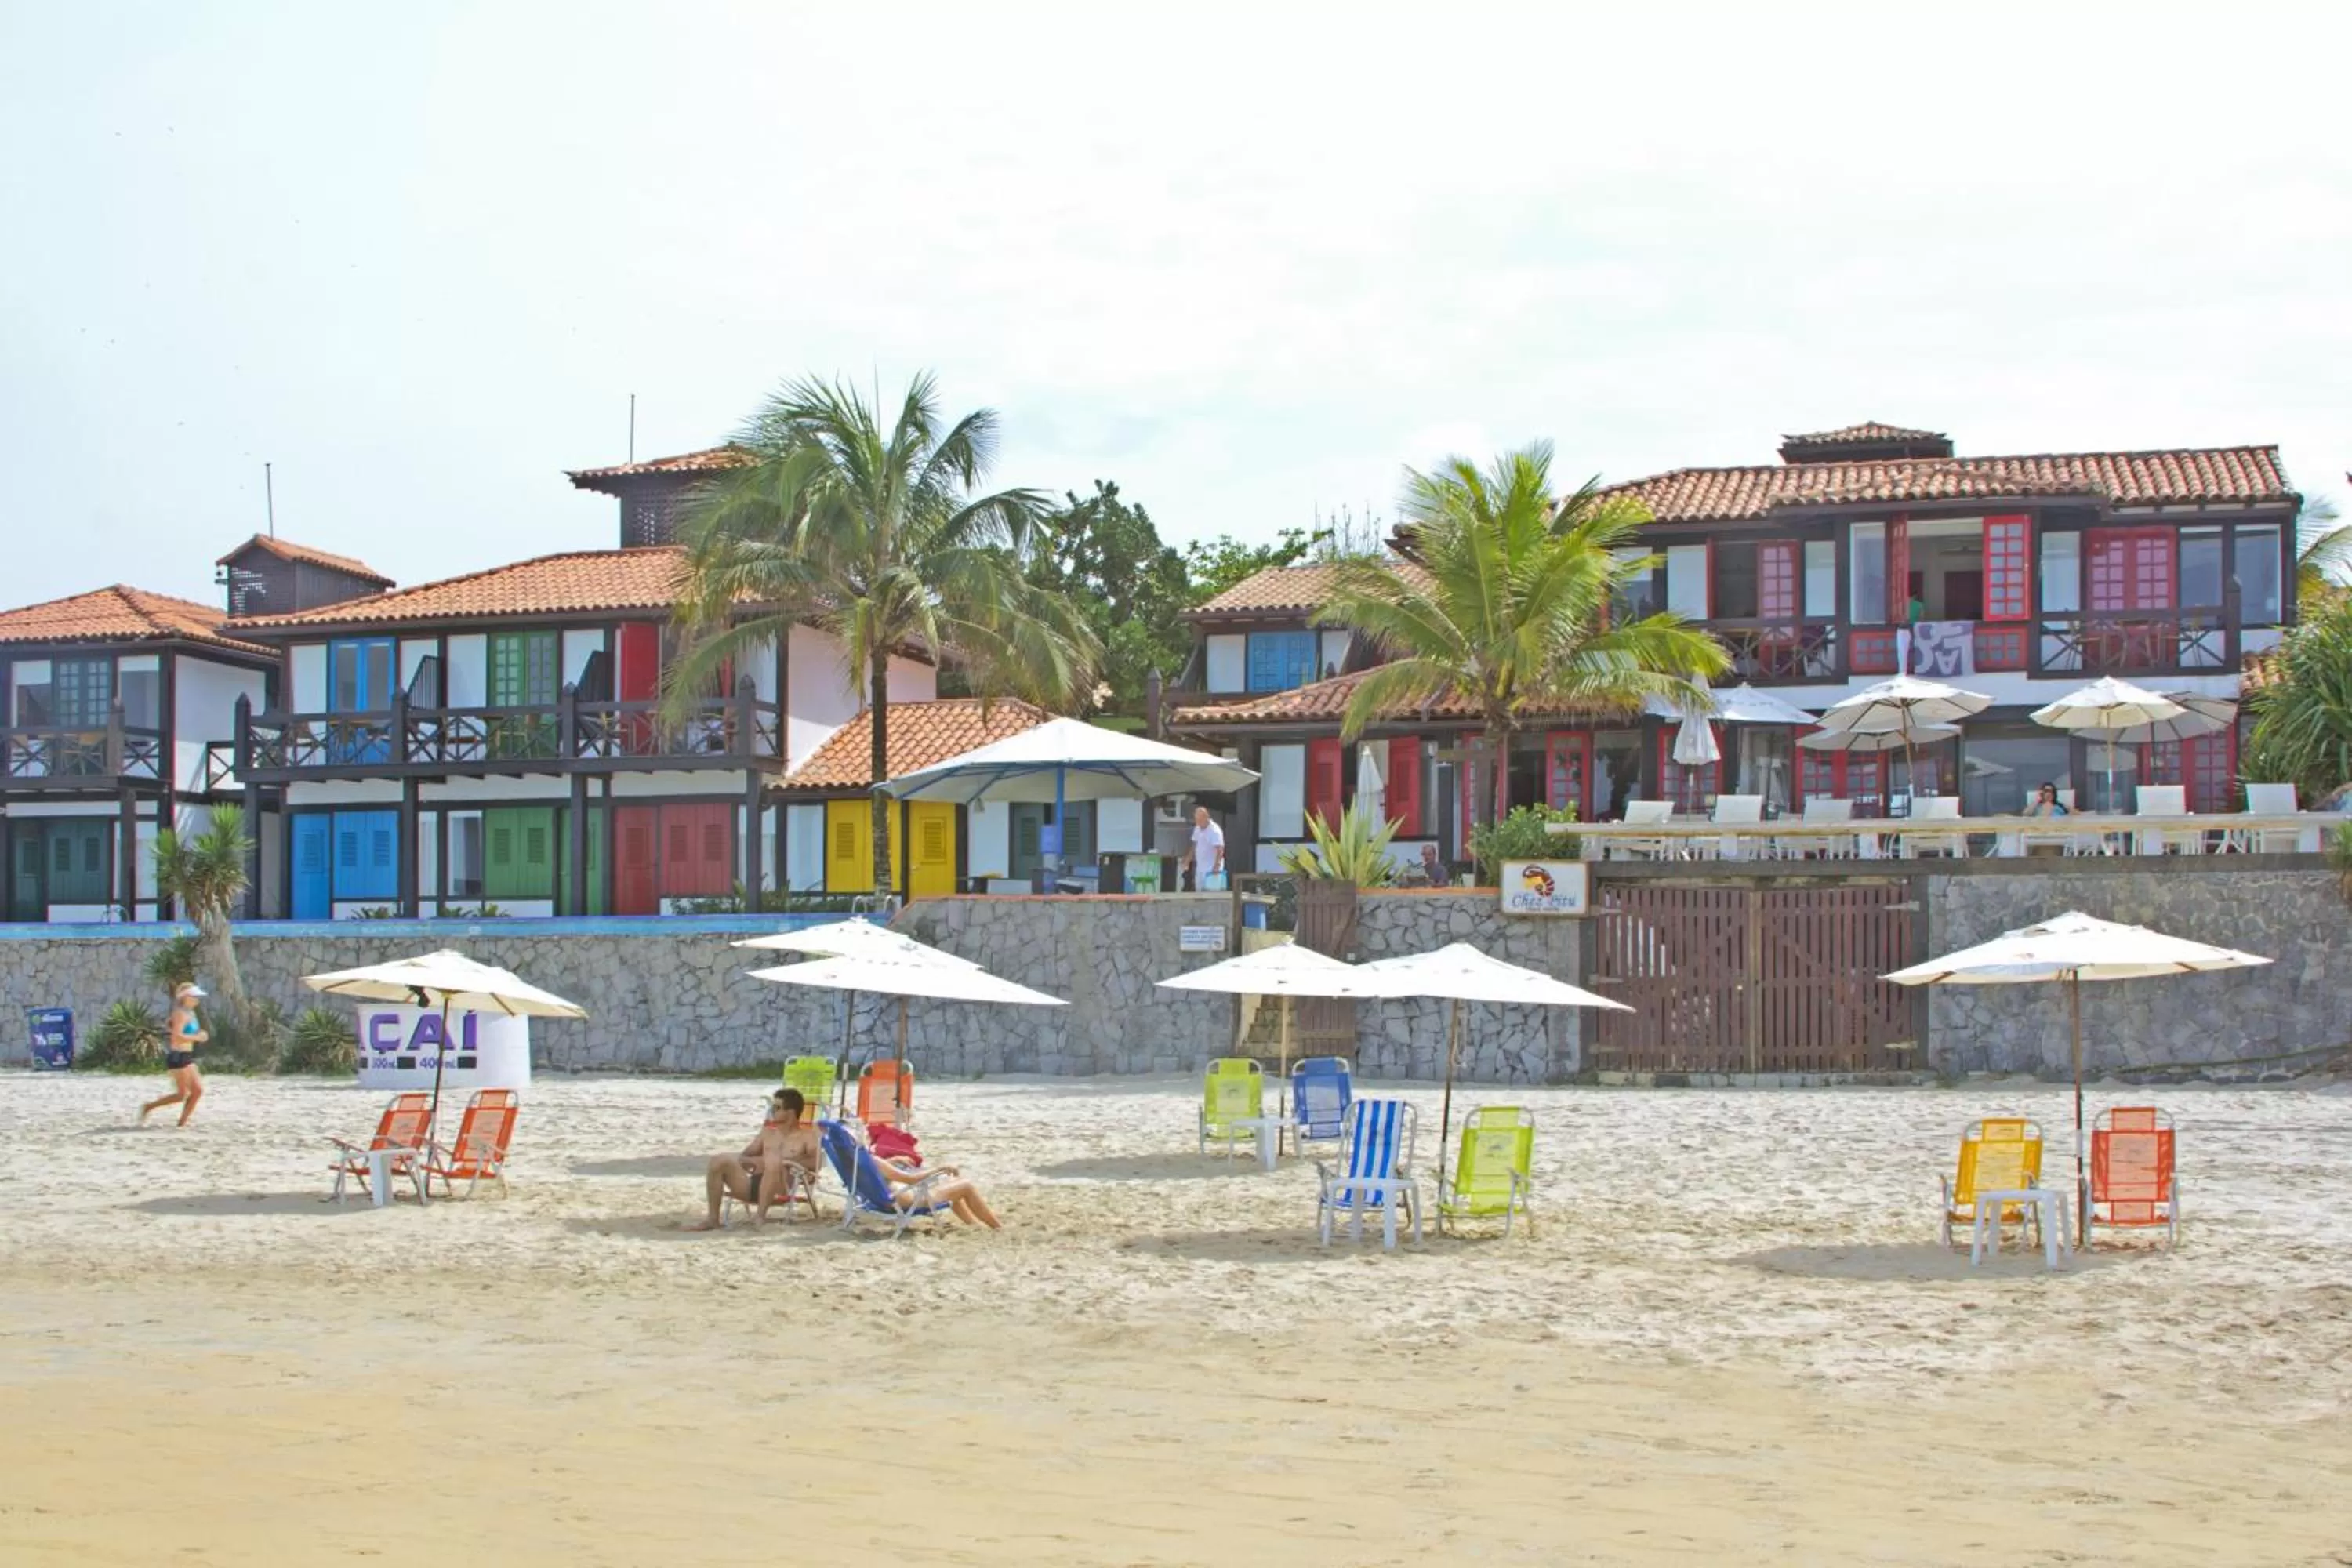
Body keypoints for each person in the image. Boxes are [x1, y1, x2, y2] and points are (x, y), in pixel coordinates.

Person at [688, 1087, 820, 1230]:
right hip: (752, 1185)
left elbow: (816, 1163)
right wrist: (754, 1162)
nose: (772, 1111)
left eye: (777, 1107)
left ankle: (760, 1217)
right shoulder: (767, 1133)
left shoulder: (807, 1136)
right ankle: (712, 1219)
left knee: (774, 1161)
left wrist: (786, 1163)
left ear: (791, 1112)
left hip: (782, 1187)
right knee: (719, 1161)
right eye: (772, 1107)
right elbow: (745, 1156)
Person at [868, 1146, 1002, 1229]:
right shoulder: (874, 1161)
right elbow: (911, 1179)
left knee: (951, 1185)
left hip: (888, 1199)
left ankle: (972, 1223)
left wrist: (892, 1160)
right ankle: (997, 1227)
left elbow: (879, 1168)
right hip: (910, 1200)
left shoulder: (857, 1161)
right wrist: (940, 1168)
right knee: (966, 1186)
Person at [139, 982, 208, 1127]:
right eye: (194, 996)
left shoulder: (191, 1013)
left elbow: (189, 1033)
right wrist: (197, 1038)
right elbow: (177, 1037)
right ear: (186, 997)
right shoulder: (180, 1014)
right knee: (182, 1095)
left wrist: (199, 1034)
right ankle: (149, 1107)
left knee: (198, 1090)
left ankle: (182, 1123)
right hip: (177, 1056)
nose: (197, 999)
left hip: (187, 1056)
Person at [1183, 804, 1225, 891]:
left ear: (1206, 817)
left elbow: (1220, 849)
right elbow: (1194, 845)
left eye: (1200, 820)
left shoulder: (1215, 830)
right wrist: (1187, 861)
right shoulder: (1197, 828)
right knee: (1199, 894)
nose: (1198, 823)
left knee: (1211, 895)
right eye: (1196, 820)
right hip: (1201, 868)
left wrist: (1217, 866)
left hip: (1211, 869)